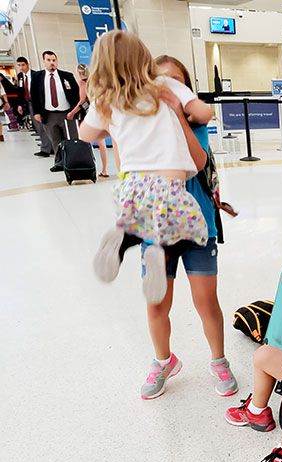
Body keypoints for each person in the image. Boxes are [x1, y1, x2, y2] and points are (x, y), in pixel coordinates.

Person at [80, 33, 237, 399]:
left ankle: (219, 360)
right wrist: (113, 119)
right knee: (156, 302)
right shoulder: (127, 113)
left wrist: (174, 113)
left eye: (175, 84)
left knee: (205, 301)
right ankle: (163, 360)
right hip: (155, 218)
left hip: (197, 226)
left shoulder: (188, 119)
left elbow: (199, 161)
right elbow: (122, 162)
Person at [30, 51, 80, 172]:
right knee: (55, 140)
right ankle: (59, 163)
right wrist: (36, 112)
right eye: (49, 60)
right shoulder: (37, 77)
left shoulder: (67, 76)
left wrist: (76, 111)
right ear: (44, 61)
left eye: (54, 60)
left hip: (67, 114)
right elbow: (34, 96)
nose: (52, 63)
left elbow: (76, 94)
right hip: (49, 114)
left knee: (72, 139)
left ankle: (75, 162)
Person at [67, 63, 109, 178]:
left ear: (79, 73)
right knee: (102, 143)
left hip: (88, 114)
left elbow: (82, 101)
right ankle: (104, 170)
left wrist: (72, 113)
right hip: (100, 112)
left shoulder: (82, 83)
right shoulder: (96, 81)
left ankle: (89, 169)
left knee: (87, 143)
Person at [15, 57, 54, 157]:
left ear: (27, 64)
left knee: (45, 125)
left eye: (23, 65)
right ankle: (46, 147)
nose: (21, 67)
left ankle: (48, 148)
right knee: (38, 126)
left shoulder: (36, 75)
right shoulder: (20, 77)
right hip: (30, 103)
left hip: (40, 102)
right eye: (19, 65)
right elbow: (20, 91)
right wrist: (19, 104)